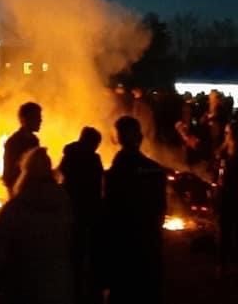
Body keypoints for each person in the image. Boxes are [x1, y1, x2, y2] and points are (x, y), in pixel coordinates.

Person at [0, 147, 74, 304]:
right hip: (57, 284)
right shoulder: (64, 202)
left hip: (24, 286)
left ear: (26, 171)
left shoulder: (17, 206)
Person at [103, 116, 167, 304]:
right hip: (149, 245)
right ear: (139, 137)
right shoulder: (155, 170)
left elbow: (109, 211)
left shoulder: (115, 173)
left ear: (118, 138)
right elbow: (160, 209)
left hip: (123, 249)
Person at [58, 127, 104, 304]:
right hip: (88, 209)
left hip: (71, 207)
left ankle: (72, 284)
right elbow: (97, 183)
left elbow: (62, 174)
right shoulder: (93, 158)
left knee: (73, 249)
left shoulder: (69, 154)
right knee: (86, 250)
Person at [215, 120, 238, 276]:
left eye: (229, 132)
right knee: (224, 230)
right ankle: (223, 263)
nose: (227, 135)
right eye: (226, 132)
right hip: (224, 196)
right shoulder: (224, 150)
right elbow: (219, 166)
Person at [2, 102, 43, 196]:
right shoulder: (13, 142)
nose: (40, 120)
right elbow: (8, 174)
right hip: (20, 193)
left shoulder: (34, 140)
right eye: (37, 117)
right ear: (25, 119)